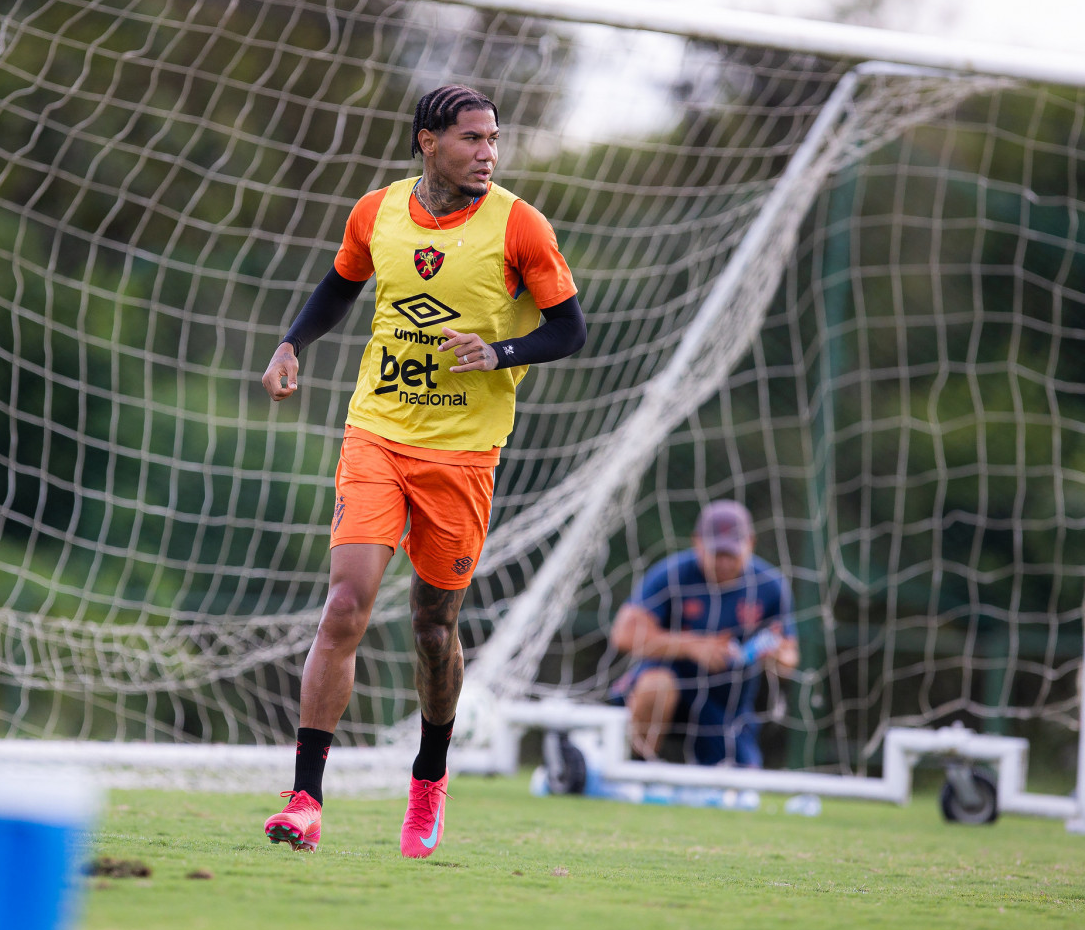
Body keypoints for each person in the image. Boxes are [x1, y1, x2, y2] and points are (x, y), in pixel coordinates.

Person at [259, 85, 586, 856]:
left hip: (464, 455)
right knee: (346, 604)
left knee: (433, 629)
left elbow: (570, 328)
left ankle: (429, 780)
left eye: (494, 140)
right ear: (427, 142)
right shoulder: (377, 212)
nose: (487, 153)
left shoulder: (519, 225)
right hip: (377, 432)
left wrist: (500, 352)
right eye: (472, 139)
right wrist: (290, 344)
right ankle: (305, 798)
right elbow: (342, 282)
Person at [608, 499, 798, 767]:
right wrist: (692, 646)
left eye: (731, 553)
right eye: (716, 553)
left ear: (750, 544)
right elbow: (624, 634)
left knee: (740, 785)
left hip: (727, 702)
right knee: (656, 686)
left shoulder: (770, 586)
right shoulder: (671, 574)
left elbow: (790, 656)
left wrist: (777, 656)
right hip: (671, 683)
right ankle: (634, 768)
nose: (723, 562)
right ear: (697, 543)